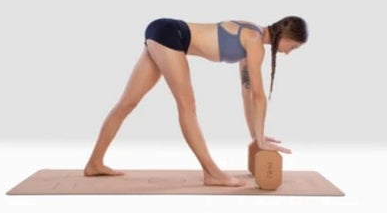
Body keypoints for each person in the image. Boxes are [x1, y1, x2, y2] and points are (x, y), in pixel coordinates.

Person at [84, 16, 309, 187]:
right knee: (187, 105)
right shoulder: (255, 42)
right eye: (294, 47)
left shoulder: (252, 36)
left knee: (127, 103)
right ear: (285, 35)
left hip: (163, 31)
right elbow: (259, 95)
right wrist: (260, 139)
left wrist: (255, 136)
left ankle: (94, 163)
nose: (289, 52)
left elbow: (248, 93)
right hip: (172, 35)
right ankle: (211, 172)